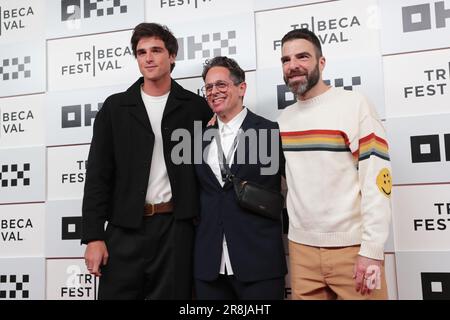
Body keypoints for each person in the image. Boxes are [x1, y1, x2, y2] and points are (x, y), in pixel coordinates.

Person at [81, 22, 212, 299]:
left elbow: (209, 172)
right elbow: (97, 176)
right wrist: (94, 237)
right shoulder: (115, 108)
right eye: (141, 52)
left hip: (175, 230)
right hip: (125, 229)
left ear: (172, 55)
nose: (149, 58)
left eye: (156, 50)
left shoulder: (196, 108)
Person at [277, 28, 392, 300]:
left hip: (353, 250)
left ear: (321, 62)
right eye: (286, 60)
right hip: (301, 250)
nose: (293, 66)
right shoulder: (284, 120)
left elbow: (377, 181)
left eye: (302, 56)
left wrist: (372, 251)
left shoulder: (355, 105)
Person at [193, 56, 287, 300]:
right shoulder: (198, 138)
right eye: (209, 87)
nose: (214, 92)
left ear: (241, 88)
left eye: (221, 85)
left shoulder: (270, 131)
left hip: (259, 264)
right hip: (209, 267)